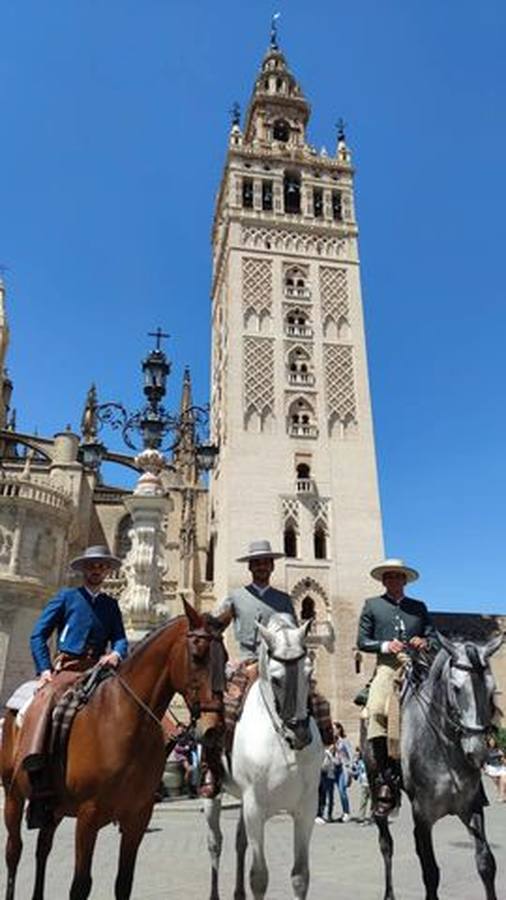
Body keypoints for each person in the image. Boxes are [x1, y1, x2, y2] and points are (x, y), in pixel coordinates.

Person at [21, 544, 128, 828]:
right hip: (69, 667)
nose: (96, 570)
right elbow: (38, 635)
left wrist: (116, 653)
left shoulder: (110, 605)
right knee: (46, 701)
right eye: (92, 566)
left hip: (100, 669)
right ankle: (36, 767)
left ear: (106, 570)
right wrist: (44, 670)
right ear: (84, 570)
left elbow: (120, 638)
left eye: (101, 566)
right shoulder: (66, 597)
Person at [357, 557, 437, 816]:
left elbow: (433, 636)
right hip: (389, 667)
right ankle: (384, 778)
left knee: (448, 701)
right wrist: (385, 645)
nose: (393, 580)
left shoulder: (419, 607)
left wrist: (424, 642)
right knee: (378, 708)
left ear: (405, 580)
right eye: (389, 576)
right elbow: (362, 641)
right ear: (383, 581)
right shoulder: (372, 605)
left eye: (398, 576)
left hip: (420, 666)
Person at [333, 722, 353, 822]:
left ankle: (346, 812)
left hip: (342, 769)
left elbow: (350, 755)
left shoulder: (344, 741)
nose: (333, 731)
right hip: (331, 769)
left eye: (335, 729)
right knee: (329, 793)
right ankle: (328, 814)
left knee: (342, 791)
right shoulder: (331, 742)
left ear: (340, 729)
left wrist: (350, 770)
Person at [315, 743, 336, 824]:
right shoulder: (324, 752)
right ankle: (318, 814)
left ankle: (321, 813)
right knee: (320, 794)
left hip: (326, 774)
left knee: (323, 794)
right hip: (320, 773)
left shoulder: (328, 753)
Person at [351, 747, 371, 824]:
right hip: (363, 783)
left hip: (370, 783)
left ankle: (372, 817)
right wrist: (353, 772)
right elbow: (357, 772)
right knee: (363, 801)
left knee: (372, 801)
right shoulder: (360, 762)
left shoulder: (369, 761)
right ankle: (361, 817)